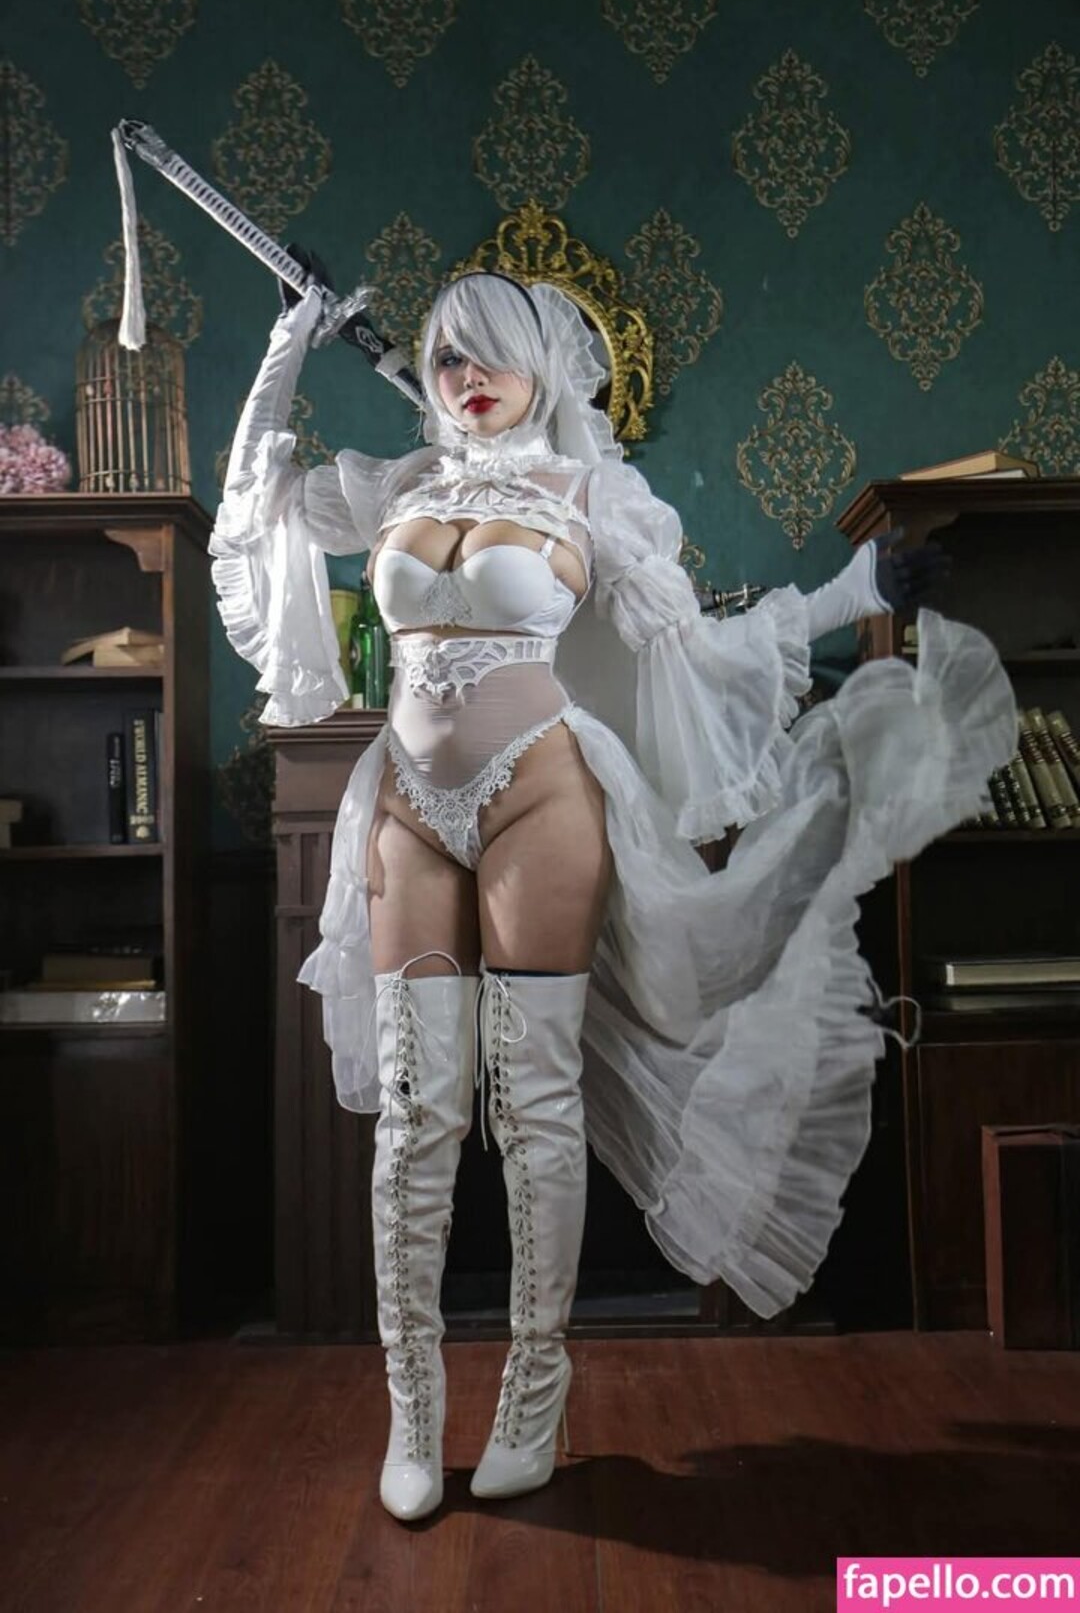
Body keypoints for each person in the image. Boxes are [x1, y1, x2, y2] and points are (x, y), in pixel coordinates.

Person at [210, 267, 1016, 1523]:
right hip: (409, 810)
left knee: (536, 1103)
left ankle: (533, 1393)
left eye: (490, 353)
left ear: (542, 363)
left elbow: (698, 648)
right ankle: (413, 1415)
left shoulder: (594, 495)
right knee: (417, 1116)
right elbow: (258, 505)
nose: (465, 378)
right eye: (445, 358)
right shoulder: (401, 486)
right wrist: (286, 343)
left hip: (542, 794)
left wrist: (853, 594)